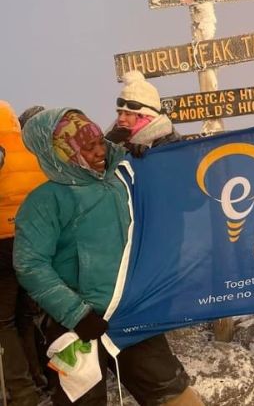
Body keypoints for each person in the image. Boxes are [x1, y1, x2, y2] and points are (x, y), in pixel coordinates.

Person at [13, 108, 203, 405]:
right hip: (77, 328)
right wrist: (76, 313)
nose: (100, 151)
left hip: (132, 315)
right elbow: (30, 265)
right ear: (61, 153)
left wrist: (157, 158)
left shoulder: (123, 178)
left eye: (101, 141)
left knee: (177, 397)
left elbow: (187, 195)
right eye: (88, 147)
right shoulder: (44, 202)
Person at [0, 101, 48, 406]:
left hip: (2, 247)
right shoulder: (30, 148)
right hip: (35, 244)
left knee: (2, 322)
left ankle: (21, 393)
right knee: (24, 316)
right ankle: (38, 377)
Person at [106, 71, 180, 155]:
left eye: (128, 114)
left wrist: (144, 157)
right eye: (119, 113)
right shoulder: (114, 139)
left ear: (146, 117)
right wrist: (106, 147)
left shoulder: (169, 143)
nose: (121, 119)